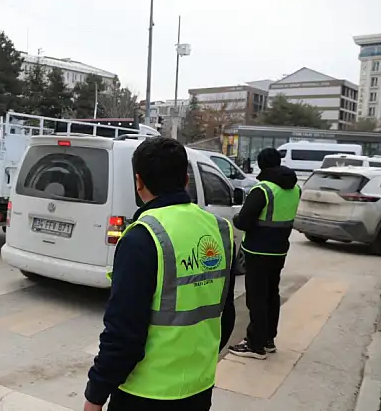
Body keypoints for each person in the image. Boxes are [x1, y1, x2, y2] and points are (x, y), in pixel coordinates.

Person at [84, 137, 236, 411]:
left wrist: (96, 394)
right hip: (199, 387)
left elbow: (123, 333)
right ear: (186, 180)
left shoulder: (143, 237)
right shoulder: (221, 230)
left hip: (145, 393)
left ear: (139, 181)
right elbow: (227, 313)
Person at [229, 147, 300, 360]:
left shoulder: (263, 190)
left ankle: (255, 345)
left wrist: (235, 220)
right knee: (271, 295)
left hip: (257, 251)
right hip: (279, 251)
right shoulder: (294, 188)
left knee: (256, 298)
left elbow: (243, 221)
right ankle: (268, 339)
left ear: (260, 164)